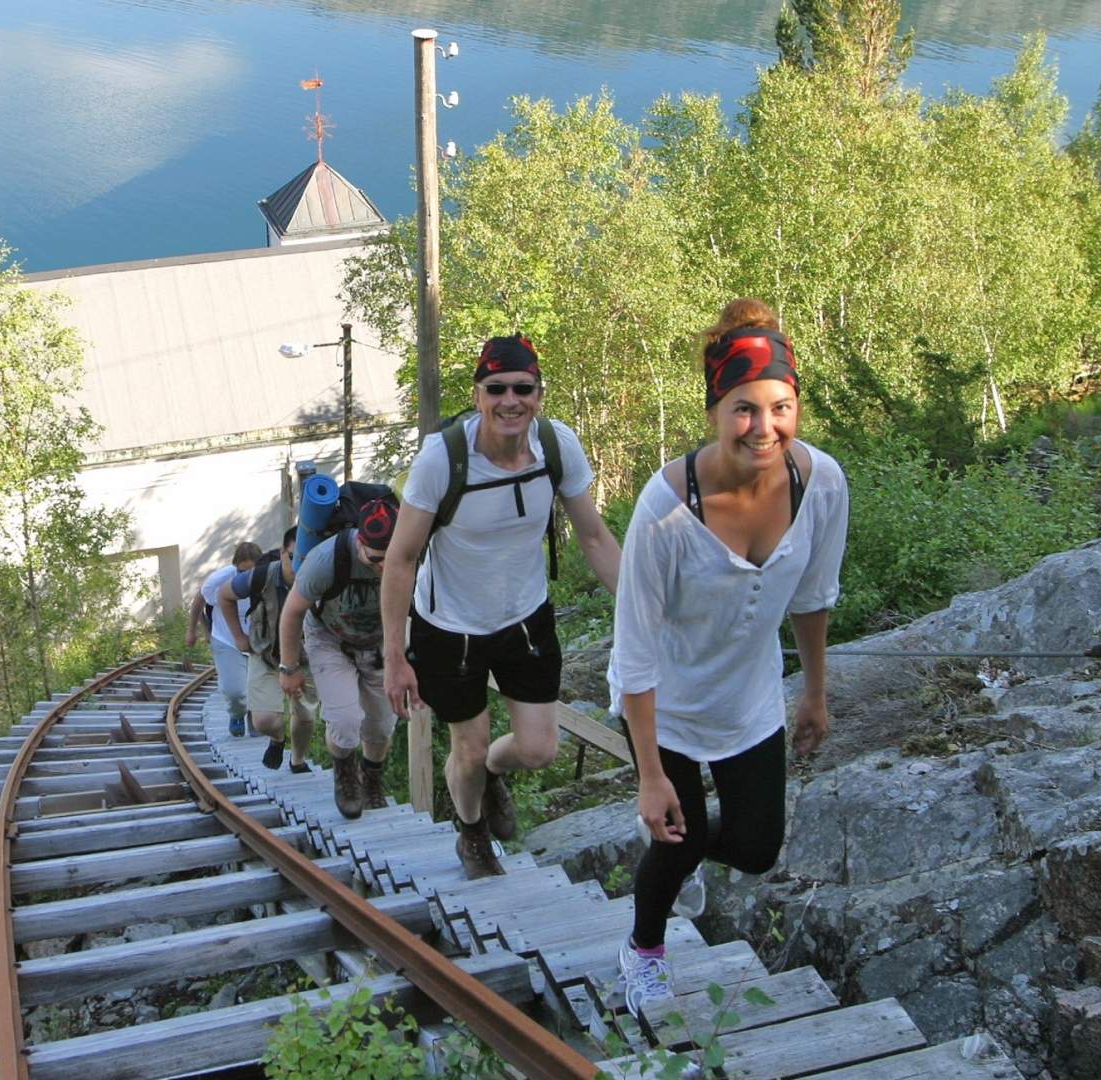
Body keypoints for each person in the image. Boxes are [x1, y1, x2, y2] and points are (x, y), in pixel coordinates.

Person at [607, 299, 848, 1025]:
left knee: (755, 848)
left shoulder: (820, 483)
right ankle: (643, 952)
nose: (765, 427)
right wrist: (650, 777)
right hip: (666, 707)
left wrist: (814, 693)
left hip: (747, 701)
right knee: (676, 843)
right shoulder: (665, 509)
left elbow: (813, 595)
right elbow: (635, 651)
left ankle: (679, 860)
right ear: (715, 409)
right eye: (744, 408)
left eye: (781, 406)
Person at [381, 335, 622, 879]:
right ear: (479, 393)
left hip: (525, 618)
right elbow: (399, 561)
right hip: (449, 629)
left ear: (539, 394)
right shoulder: (442, 459)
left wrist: (642, 614)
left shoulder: (557, 447)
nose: (510, 401)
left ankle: (492, 772)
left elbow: (596, 540)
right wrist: (395, 657)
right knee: (466, 746)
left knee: (538, 749)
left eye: (523, 389)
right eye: (497, 389)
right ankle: (471, 832)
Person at [278, 499, 401, 817]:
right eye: (375, 559)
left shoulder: (408, 554)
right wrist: (288, 668)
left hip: (379, 643)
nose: (384, 567)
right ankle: (346, 776)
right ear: (360, 541)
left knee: (382, 726)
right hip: (329, 640)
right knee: (346, 722)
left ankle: (371, 780)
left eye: (391, 559)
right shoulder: (326, 559)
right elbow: (291, 613)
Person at [220, 527, 314, 772]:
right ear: (282, 552)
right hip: (265, 652)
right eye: (292, 557)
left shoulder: (321, 576)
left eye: (304, 558)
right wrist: (239, 636)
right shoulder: (260, 576)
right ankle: (277, 739)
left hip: (305, 659)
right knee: (263, 721)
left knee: (305, 718)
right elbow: (224, 595)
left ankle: (298, 760)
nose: (297, 565)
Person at [187, 540, 263, 736]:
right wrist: (194, 631)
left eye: (251, 571)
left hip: (259, 638)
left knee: (258, 685)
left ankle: (255, 715)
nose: (246, 576)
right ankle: (237, 713)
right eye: (241, 571)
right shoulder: (220, 579)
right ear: (235, 566)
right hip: (226, 638)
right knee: (234, 690)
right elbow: (198, 602)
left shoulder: (267, 575)